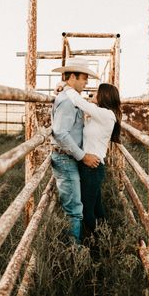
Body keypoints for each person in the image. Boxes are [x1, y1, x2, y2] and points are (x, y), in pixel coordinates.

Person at [51, 58, 100, 244]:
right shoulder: (67, 102)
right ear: (72, 77)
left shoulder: (70, 98)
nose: (86, 82)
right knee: (74, 209)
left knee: (74, 206)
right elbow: (60, 133)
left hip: (68, 158)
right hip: (66, 158)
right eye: (84, 78)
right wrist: (83, 156)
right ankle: (74, 255)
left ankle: (74, 247)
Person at [62, 83, 122, 235]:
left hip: (92, 167)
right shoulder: (100, 115)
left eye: (97, 92)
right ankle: (105, 239)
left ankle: (91, 243)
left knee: (86, 208)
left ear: (104, 96)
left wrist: (65, 87)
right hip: (90, 166)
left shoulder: (106, 114)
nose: (93, 94)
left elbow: (79, 102)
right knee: (96, 207)